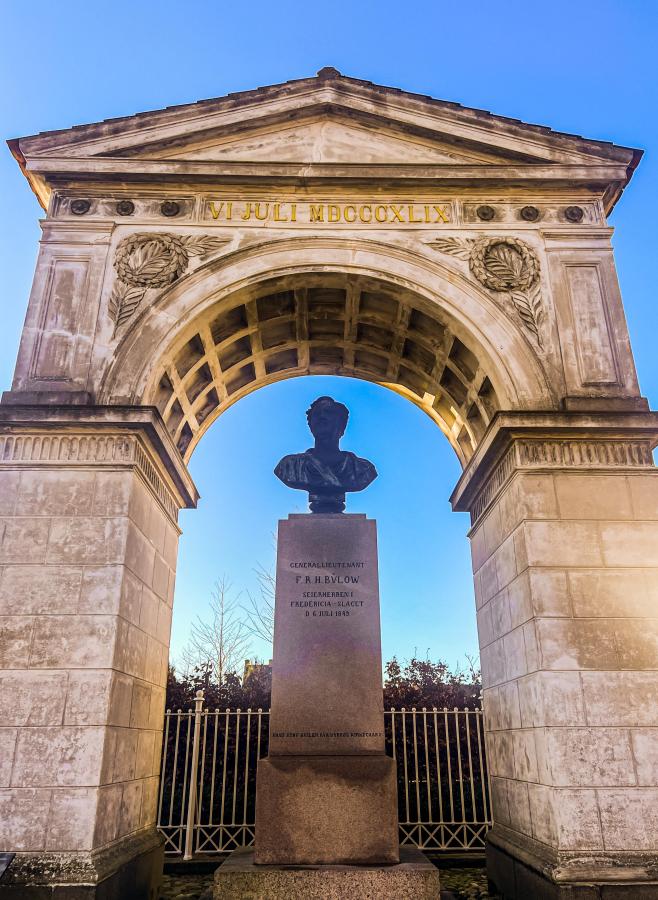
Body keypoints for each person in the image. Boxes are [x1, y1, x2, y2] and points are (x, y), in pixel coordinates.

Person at [274, 396, 377, 513]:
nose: (322, 417)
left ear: (342, 425)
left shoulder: (362, 469)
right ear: (310, 425)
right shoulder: (290, 466)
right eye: (317, 414)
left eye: (329, 413)